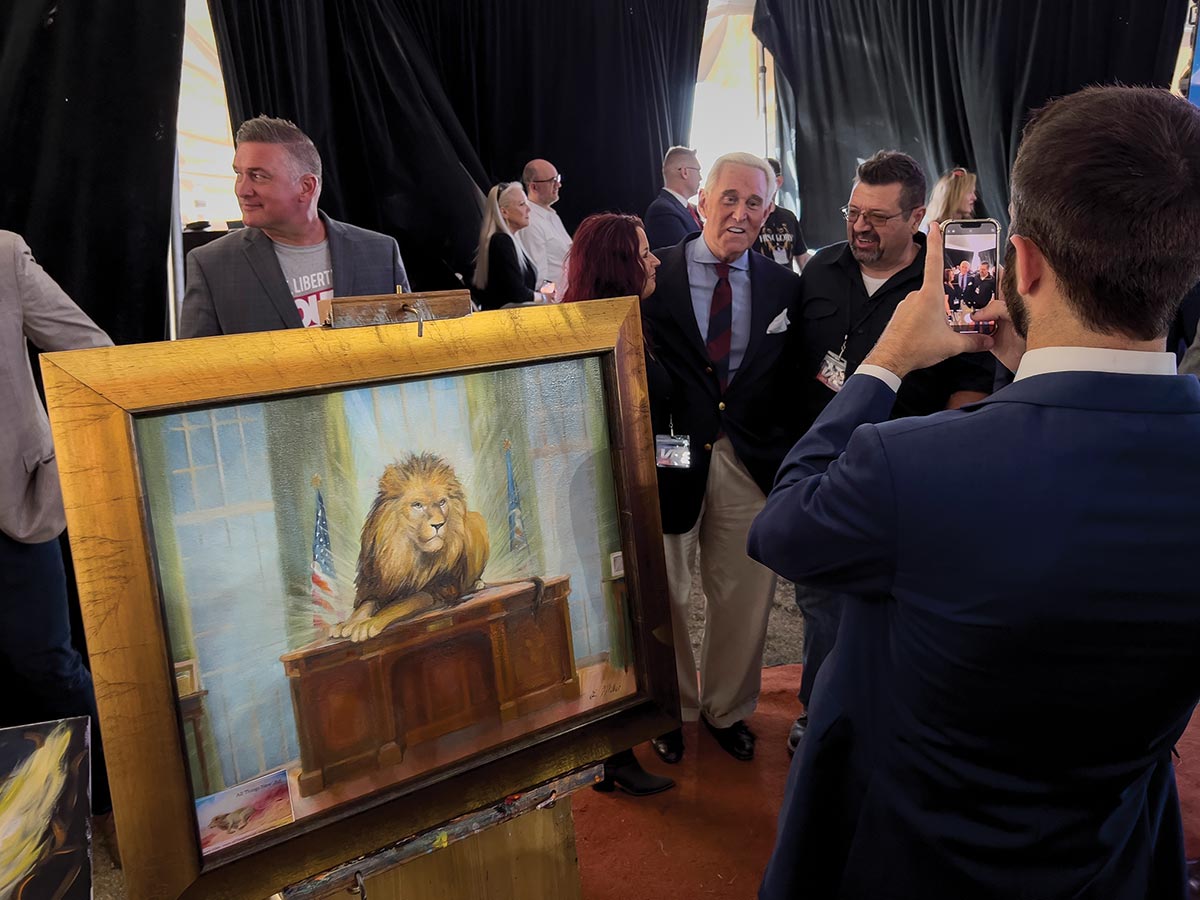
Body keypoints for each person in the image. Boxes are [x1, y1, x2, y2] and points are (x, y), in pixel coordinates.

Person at [751, 84, 1200, 900]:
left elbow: (783, 526)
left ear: (1020, 262)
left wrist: (887, 356)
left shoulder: (910, 466)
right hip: (1111, 857)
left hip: (910, 862)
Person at [785, 151, 995, 755]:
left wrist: (953, 466)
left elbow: (974, 376)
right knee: (822, 606)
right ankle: (817, 715)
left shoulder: (948, 284)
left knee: (902, 609)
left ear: (916, 218)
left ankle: (900, 723)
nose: (859, 227)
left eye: (877, 216)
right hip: (830, 477)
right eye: (853, 212)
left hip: (913, 482)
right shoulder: (820, 271)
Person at [640, 152, 802, 764]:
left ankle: (726, 709)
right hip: (674, 456)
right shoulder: (658, 275)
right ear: (701, 202)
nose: (740, 212)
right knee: (670, 590)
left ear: (768, 211)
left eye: (754, 202)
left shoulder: (786, 285)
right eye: (728, 198)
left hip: (749, 460)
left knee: (745, 592)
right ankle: (673, 708)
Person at [559, 214, 674, 796]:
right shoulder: (592, 331)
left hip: (616, 490)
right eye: (645, 253)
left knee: (625, 614)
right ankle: (612, 756)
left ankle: (615, 753)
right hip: (598, 496)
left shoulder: (621, 321)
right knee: (615, 617)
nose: (655, 262)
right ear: (618, 265)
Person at [0, 232, 113, 820]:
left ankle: (120, 805)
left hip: (12, 508)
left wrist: (65, 459)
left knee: (47, 662)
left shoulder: (2, 256)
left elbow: (90, 352)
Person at [180, 115, 410, 337]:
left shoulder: (380, 253)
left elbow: (408, 347)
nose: (242, 190)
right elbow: (196, 368)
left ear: (306, 187)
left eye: (258, 176)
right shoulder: (211, 265)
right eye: (239, 174)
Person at [471, 182, 556, 310]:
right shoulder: (501, 241)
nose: (528, 209)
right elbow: (516, 292)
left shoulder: (507, 241)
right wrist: (543, 297)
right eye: (522, 204)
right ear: (504, 212)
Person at [521, 159, 572, 290]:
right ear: (533, 187)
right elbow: (539, 279)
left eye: (558, 178)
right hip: (557, 303)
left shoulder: (552, 216)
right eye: (552, 181)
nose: (558, 185)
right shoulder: (530, 222)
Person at [753, 157, 810, 272]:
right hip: (759, 285)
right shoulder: (751, 216)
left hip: (787, 285)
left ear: (778, 181)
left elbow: (802, 258)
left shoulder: (789, 217)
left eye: (765, 178)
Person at [644, 146, 703, 251]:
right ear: (685, 172)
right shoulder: (663, 211)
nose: (700, 177)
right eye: (698, 170)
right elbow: (686, 255)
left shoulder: (689, 209)